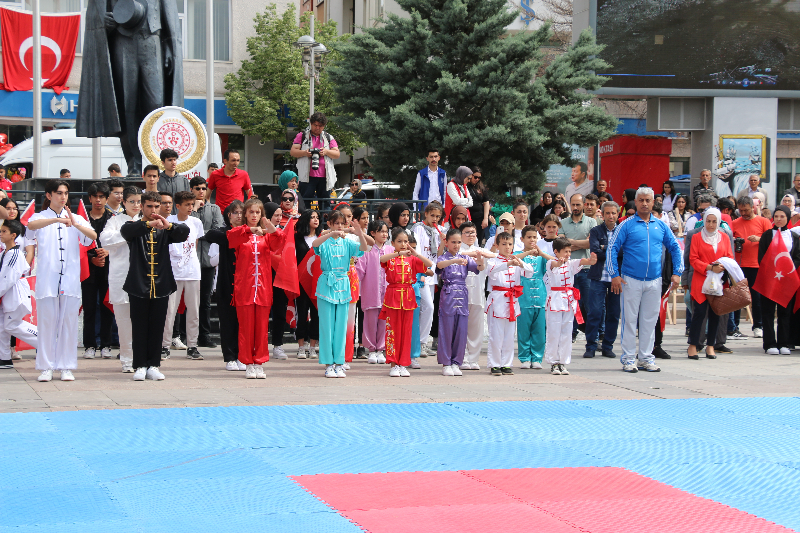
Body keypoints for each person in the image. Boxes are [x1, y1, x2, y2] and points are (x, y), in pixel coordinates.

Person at [607, 187, 683, 374]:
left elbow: (675, 247)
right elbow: (612, 248)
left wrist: (677, 272)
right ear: (636, 201)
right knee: (629, 320)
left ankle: (646, 357)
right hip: (630, 279)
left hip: (654, 280)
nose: (644, 203)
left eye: (648, 200)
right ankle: (628, 358)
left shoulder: (661, 225)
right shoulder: (626, 225)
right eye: (641, 200)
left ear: (653, 202)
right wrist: (614, 275)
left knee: (649, 320)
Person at [27, 180, 97, 382]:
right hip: (47, 279)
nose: (63, 196)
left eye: (66, 193)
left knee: (68, 323)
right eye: (59, 193)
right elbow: (30, 226)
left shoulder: (75, 218)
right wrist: (57, 221)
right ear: (49, 195)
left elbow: (92, 236)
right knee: (47, 324)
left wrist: (75, 223)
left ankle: (66, 366)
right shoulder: (40, 217)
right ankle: (46, 367)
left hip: (70, 280)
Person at [121, 192, 190, 381]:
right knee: (139, 326)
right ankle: (140, 365)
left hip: (161, 284)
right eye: (149, 206)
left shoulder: (166, 228)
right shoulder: (133, 226)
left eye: (156, 206)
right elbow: (127, 232)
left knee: (158, 326)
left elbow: (184, 233)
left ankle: (154, 364)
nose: (153, 210)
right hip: (138, 284)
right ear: (142, 206)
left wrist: (168, 225)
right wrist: (149, 224)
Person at [228, 199, 282, 378]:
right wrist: (251, 230)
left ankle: (259, 361)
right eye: (251, 212)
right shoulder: (240, 233)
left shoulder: (267, 235)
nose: (254, 215)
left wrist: (269, 227)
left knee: (261, 328)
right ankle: (247, 362)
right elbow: (231, 237)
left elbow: (279, 241)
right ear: (245, 214)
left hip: (263, 289)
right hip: (244, 289)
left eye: (257, 213)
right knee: (245, 328)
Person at [314, 211, 367, 378]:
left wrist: (358, 232)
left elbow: (364, 248)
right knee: (327, 326)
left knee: (341, 327)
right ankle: (328, 364)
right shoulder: (325, 241)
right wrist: (330, 233)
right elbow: (315, 245)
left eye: (341, 223)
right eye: (335, 223)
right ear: (329, 224)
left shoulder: (348, 242)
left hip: (344, 285)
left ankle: (339, 362)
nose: (339, 226)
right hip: (326, 284)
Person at [100, 186, 142, 373]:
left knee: (142, 321)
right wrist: (129, 232)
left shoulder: (146, 221)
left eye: (139, 201)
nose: (136, 205)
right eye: (131, 201)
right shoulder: (115, 221)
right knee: (124, 321)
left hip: (143, 278)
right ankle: (126, 359)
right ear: (123, 202)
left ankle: (142, 359)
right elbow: (105, 241)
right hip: (121, 277)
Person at [380, 227, 432, 377]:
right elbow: (381, 260)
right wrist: (399, 254)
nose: (403, 244)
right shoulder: (390, 257)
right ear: (393, 243)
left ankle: (403, 363)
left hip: (408, 297)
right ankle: (393, 363)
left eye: (406, 241)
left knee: (406, 331)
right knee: (392, 331)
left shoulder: (412, 259)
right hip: (393, 296)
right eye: (399, 241)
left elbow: (429, 265)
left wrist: (415, 253)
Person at [162, 191, 205, 360]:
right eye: (186, 204)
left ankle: (192, 346)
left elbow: (194, 244)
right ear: (177, 206)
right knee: (169, 310)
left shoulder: (196, 222)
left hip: (192, 270)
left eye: (191, 204)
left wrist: (187, 259)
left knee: (193, 310)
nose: (190, 208)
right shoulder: (169, 221)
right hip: (172, 270)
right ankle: (165, 345)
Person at [545, 237, 598, 375]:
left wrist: (591, 261)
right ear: (556, 252)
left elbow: (581, 261)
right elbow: (554, 266)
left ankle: (563, 361)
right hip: (555, 299)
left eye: (569, 251)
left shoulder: (571, 263)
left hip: (569, 299)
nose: (568, 254)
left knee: (566, 332)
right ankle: (553, 362)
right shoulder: (551, 262)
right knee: (553, 332)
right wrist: (558, 263)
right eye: (565, 251)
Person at [435, 228, 483, 376]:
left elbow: (478, 268)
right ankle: (446, 363)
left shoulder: (465, 258)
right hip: (448, 294)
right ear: (447, 242)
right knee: (447, 330)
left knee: (461, 330)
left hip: (462, 294)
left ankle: (457, 362)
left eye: (458, 242)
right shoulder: (444, 258)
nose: (456, 245)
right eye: (453, 242)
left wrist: (480, 259)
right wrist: (455, 260)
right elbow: (439, 266)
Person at [687, 208, 732, 360]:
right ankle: (693, 345)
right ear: (704, 221)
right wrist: (709, 267)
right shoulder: (697, 237)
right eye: (708, 221)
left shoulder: (724, 237)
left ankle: (711, 345)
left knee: (715, 313)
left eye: (714, 221)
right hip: (701, 279)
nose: (711, 224)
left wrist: (721, 267)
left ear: (718, 222)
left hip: (718, 281)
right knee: (699, 312)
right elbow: (693, 259)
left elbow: (729, 257)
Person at [485, 232, 533, 376]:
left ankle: (506, 364)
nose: (507, 247)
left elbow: (530, 272)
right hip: (498, 299)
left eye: (510, 244)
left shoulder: (516, 260)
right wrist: (508, 263)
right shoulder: (493, 260)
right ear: (498, 245)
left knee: (509, 335)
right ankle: (494, 364)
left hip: (512, 300)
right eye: (504, 244)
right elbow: (491, 271)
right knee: (496, 334)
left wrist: (520, 262)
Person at [205, 200, 246, 370]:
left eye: (241, 213)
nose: (239, 216)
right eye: (235, 213)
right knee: (228, 321)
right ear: (229, 216)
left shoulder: (250, 233)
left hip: (246, 284)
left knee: (243, 322)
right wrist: (234, 233)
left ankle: (242, 355)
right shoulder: (223, 233)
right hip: (226, 283)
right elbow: (209, 235)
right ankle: (229, 356)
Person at [758, 206, 800, 355]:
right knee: (768, 311)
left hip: (786, 280)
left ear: (788, 218)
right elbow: (761, 257)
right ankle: (769, 343)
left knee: (785, 312)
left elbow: (797, 257)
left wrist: (788, 269)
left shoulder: (793, 236)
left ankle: (783, 342)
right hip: (770, 279)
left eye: (782, 216)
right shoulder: (767, 235)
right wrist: (772, 270)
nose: (779, 219)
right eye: (776, 216)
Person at [189, 176, 224, 348]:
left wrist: (200, 233)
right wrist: (194, 209)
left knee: (205, 300)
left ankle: (204, 335)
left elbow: (218, 231)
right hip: (189, 262)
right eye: (197, 188)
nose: (201, 191)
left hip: (208, 261)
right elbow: (187, 229)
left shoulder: (215, 208)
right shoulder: (187, 210)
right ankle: (184, 335)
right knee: (187, 301)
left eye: (203, 188)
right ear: (191, 190)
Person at [730, 196, 771, 340]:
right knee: (738, 296)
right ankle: (734, 326)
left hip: (756, 264)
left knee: (756, 297)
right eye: (740, 210)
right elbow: (728, 240)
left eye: (746, 210)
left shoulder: (763, 221)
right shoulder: (735, 222)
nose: (743, 213)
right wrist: (735, 241)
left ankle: (758, 325)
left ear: (752, 207)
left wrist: (760, 239)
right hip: (740, 264)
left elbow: (771, 239)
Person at [81, 182, 114, 360]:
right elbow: (77, 244)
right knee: (89, 307)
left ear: (107, 199)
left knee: (107, 307)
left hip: (109, 268)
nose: (98, 200)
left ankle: (106, 345)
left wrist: (108, 251)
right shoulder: (82, 218)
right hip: (88, 269)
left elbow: (121, 242)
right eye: (95, 196)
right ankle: (89, 345)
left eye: (102, 197)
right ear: (90, 198)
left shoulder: (113, 218)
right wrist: (90, 258)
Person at [585, 201, 622, 359]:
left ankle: (608, 346)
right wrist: (612, 249)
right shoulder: (595, 231)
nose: (610, 216)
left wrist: (604, 247)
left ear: (618, 214)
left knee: (613, 313)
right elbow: (594, 251)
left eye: (613, 213)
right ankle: (591, 346)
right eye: (607, 213)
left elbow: (624, 252)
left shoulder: (622, 231)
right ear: (603, 214)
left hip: (616, 278)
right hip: (598, 277)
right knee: (595, 312)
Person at [558, 193, 597, 342]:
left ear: (584, 204)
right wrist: (578, 243)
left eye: (578, 204)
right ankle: (571, 333)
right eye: (572, 204)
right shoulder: (563, 222)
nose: (575, 207)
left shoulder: (591, 222)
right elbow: (561, 245)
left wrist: (570, 242)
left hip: (586, 269)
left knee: (588, 303)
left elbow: (590, 243)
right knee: (570, 303)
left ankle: (592, 335)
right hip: (568, 270)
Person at [0, 220, 37, 370]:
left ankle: (46, 342)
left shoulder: (14, 253)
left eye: (4, 232)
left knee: (11, 325)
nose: (1, 234)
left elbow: (8, 278)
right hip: (7, 296)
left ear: (13, 235)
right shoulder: (5, 252)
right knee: (3, 327)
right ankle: (4, 358)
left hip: (15, 296)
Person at [410, 201, 444, 357]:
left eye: (438, 216)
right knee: (427, 307)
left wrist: (444, 242)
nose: (435, 219)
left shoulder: (437, 231)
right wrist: (422, 273)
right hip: (422, 275)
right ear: (426, 214)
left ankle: (423, 342)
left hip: (432, 276)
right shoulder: (418, 229)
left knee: (429, 310)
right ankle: (418, 342)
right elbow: (417, 252)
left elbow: (437, 254)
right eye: (432, 215)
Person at [357, 219, 392, 364]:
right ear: (373, 233)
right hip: (370, 291)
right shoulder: (367, 250)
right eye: (381, 231)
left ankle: (381, 349)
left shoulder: (390, 250)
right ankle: (371, 349)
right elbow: (360, 271)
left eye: (386, 231)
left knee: (384, 320)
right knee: (370, 321)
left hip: (387, 292)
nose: (384, 234)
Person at [515, 226, 550, 370]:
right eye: (529, 237)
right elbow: (515, 258)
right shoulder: (518, 254)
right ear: (522, 239)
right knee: (524, 329)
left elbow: (553, 262)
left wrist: (541, 253)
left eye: (534, 237)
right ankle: (524, 357)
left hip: (540, 296)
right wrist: (529, 252)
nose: (532, 240)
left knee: (540, 329)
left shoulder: (542, 256)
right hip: (524, 297)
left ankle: (537, 357)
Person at [460, 221, 491, 370]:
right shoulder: (457, 250)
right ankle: (463, 358)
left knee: (476, 328)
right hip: (460, 295)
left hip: (477, 294)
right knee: (461, 328)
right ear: (461, 235)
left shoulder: (481, 251)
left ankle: (474, 359)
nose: (470, 235)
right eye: (467, 232)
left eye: (473, 232)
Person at [291, 112, 340, 200]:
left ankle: (323, 214)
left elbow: (337, 154)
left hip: (325, 177)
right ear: (311, 123)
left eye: (320, 126)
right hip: (307, 177)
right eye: (315, 125)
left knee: (325, 203)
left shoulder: (328, 137)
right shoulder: (302, 136)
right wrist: (305, 153)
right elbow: (293, 152)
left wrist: (326, 152)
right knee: (305, 202)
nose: (317, 128)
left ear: (324, 126)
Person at [158, 149, 190, 214]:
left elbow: (188, 201)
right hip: (162, 217)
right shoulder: (157, 180)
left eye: (174, 160)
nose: (173, 162)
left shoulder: (183, 180)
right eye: (170, 160)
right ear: (163, 162)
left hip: (180, 218)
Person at [467, 167, 490, 244]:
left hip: (479, 218)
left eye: (479, 177)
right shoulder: (465, 186)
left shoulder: (481, 187)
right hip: (468, 217)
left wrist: (486, 218)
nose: (477, 179)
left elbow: (486, 202)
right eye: (475, 177)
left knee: (478, 240)